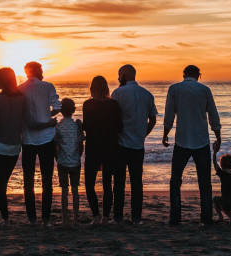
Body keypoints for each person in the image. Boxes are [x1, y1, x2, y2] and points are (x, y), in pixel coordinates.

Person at [163, 65, 221, 226]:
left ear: (183, 75)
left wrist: (165, 133)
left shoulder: (174, 89)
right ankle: (206, 218)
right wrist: (218, 134)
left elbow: (169, 114)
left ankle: (175, 218)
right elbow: (213, 115)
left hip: (181, 140)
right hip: (201, 140)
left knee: (175, 180)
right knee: (204, 182)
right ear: (199, 75)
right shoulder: (205, 90)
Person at [0, 67, 29, 225]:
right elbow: (26, 122)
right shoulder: (22, 99)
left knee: (0, 183)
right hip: (13, 147)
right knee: (2, 183)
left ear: (4, 80)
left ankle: (3, 217)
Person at [111, 64, 157, 224]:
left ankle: (118, 217)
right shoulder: (147, 94)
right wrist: (143, 134)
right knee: (137, 182)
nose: (118, 78)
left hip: (121, 144)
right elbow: (153, 119)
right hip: (138, 144)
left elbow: (113, 119)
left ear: (124, 74)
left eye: (119, 75)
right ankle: (136, 217)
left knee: (119, 183)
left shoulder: (117, 93)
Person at [19, 61, 61, 227]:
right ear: (39, 71)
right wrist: (47, 115)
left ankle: (31, 218)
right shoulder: (48, 86)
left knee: (28, 180)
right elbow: (57, 107)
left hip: (28, 139)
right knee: (47, 180)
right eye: (41, 69)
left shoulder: (20, 88)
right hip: (46, 138)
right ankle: (46, 219)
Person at [82, 76, 122, 225]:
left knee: (89, 184)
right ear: (106, 88)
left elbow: (86, 126)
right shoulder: (114, 104)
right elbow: (119, 127)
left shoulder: (88, 104)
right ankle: (105, 217)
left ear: (92, 89)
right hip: (111, 147)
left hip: (93, 147)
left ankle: (96, 216)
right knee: (107, 184)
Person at [54, 98, 83, 227]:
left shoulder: (58, 127)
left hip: (63, 162)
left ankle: (65, 219)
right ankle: (76, 218)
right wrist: (78, 156)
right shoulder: (76, 126)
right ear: (73, 110)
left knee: (64, 191)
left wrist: (58, 158)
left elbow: (56, 146)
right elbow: (81, 144)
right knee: (75, 190)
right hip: (75, 162)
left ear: (60, 111)